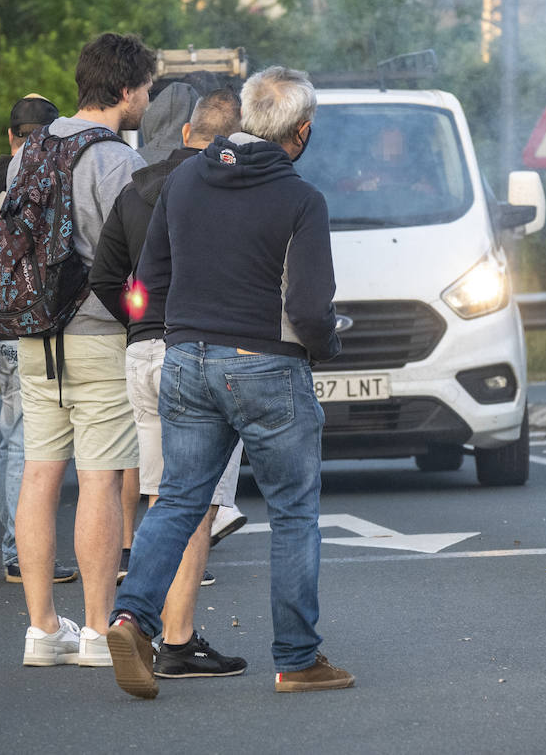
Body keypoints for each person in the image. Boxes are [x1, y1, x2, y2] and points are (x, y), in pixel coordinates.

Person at [106, 65, 353, 700]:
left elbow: (147, 280)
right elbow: (306, 308)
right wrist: (327, 342)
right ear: (300, 132)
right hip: (267, 365)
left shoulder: (185, 179)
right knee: (294, 512)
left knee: (179, 498)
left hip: (185, 357)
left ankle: (131, 617)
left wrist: (178, 331)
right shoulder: (302, 200)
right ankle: (298, 660)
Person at [90, 86, 247, 680]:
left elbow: (107, 275)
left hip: (143, 354)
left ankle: (136, 622)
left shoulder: (138, 188)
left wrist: (138, 317)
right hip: (202, 348)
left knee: (162, 497)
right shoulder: (229, 186)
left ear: (185, 134)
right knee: (200, 504)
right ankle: (177, 638)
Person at [7, 33, 150, 669]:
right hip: (98, 336)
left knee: (40, 473)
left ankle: (42, 629)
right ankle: (96, 629)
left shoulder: (28, 151)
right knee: (100, 479)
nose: (147, 99)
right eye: (145, 88)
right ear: (125, 90)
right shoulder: (118, 161)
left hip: (35, 336)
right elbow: (140, 260)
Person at [0, 94, 76, 584]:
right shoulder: (54, 175)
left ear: (10, 134)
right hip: (40, 323)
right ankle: (21, 553)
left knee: (14, 436)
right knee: (34, 442)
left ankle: (17, 549)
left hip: (0, 321)